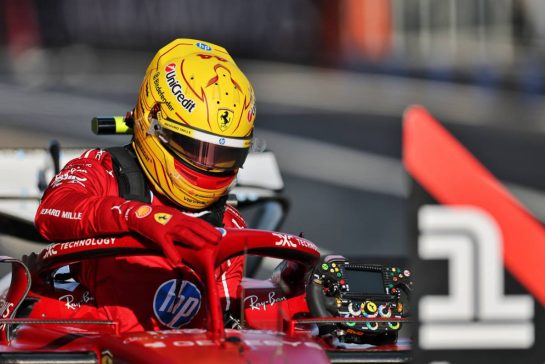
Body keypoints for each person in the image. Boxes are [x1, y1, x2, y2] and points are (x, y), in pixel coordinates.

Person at [34, 38, 257, 333]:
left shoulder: (230, 227)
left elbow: (229, 328)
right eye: (196, 149)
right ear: (154, 123)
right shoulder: (104, 171)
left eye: (223, 156)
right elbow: (52, 212)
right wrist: (138, 217)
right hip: (90, 340)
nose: (208, 166)